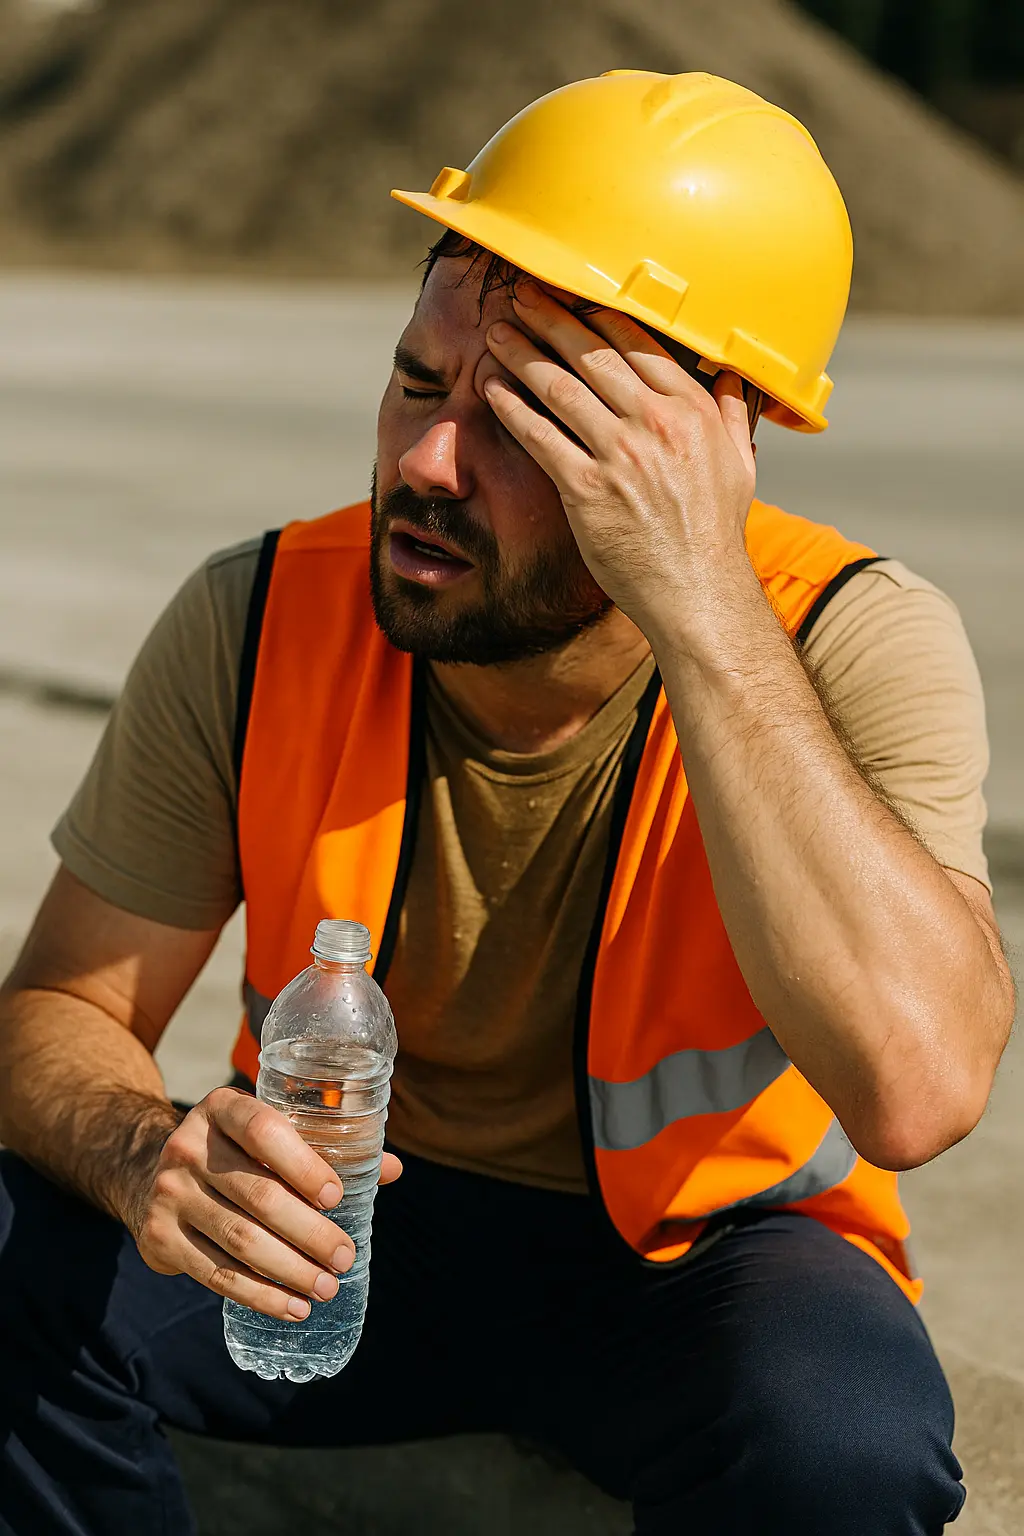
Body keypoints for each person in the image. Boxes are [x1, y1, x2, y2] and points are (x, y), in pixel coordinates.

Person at [0, 70, 1014, 1536]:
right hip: (342, 1229)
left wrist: (704, 607)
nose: (426, 461)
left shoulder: (844, 637)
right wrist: (147, 1152)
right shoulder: (262, 611)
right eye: (420, 382)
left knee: (843, 1441)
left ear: (699, 449)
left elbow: (918, 1088)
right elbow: (49, 1017)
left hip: (705, 1259)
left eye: (530, 423)